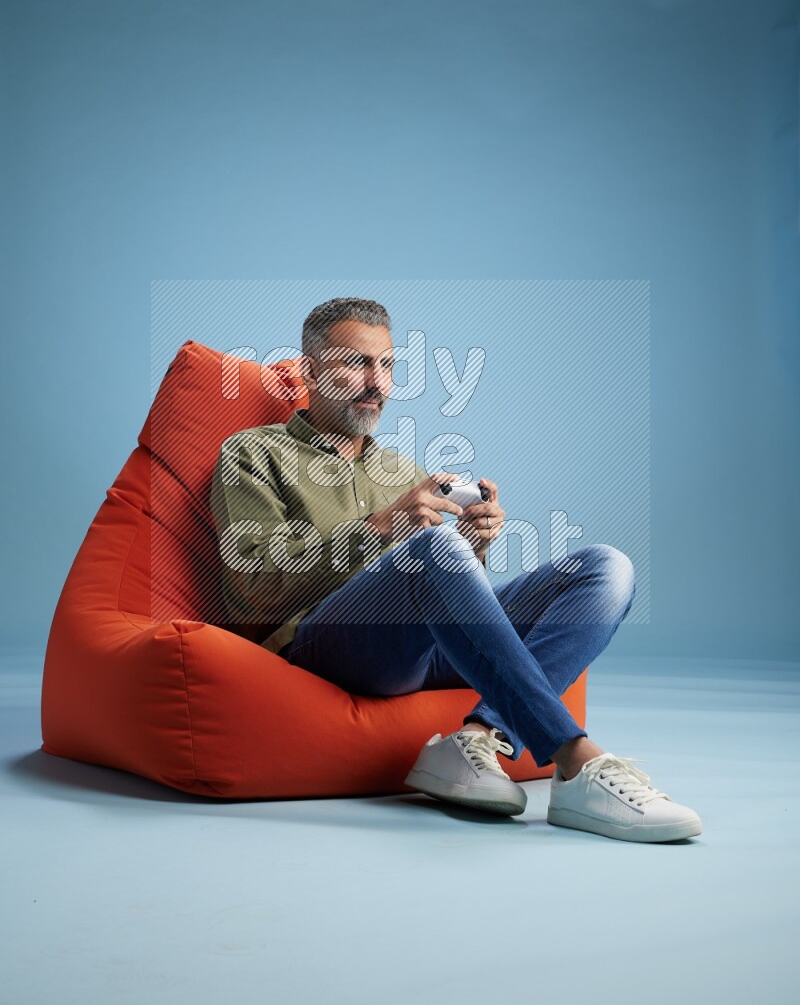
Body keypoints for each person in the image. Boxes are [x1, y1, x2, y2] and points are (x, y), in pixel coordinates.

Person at [210, 296, 702, 843]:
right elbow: (252, 586)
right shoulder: (253, 453)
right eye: (354, 363)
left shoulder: (403, 470)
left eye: (387, 365)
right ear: (309, 371)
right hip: (322, 647)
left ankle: (475, 737)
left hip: (425, 649)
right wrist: (384, 529)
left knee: (605, 567)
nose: (376, 383)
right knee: (430, 550)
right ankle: (575, 759)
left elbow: (450, 601)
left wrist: (474, 547)